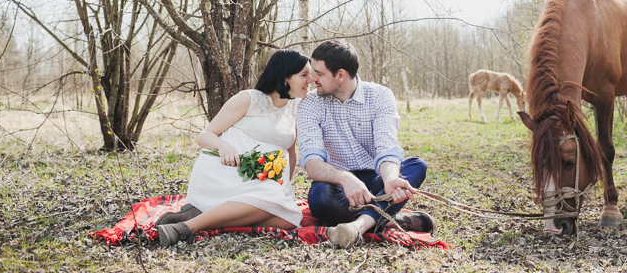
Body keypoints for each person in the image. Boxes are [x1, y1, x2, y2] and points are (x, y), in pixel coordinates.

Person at [155, 49, 312, 247]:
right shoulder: (249, 99)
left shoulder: (296, 106)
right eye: (304, 75)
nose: (311, 80)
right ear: (285, 77)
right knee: (276, 204)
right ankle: (185, 228)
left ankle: (203, 215)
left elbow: (290, 152)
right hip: (224, 171)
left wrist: (284, 189)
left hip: (261, 181)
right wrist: (223, 146)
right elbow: (204, 136)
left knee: (289, 218)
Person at [297, 39, 433, 248]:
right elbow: (312, 163)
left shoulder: (380, 96)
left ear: (340, 75)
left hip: (375, 179)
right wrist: (344, 178)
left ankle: (358, 226)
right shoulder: (309, 103)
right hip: (337, 184)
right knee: (319, 197)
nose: (313, 79)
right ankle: (388, 218)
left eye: (320, 73)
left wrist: (390, 179)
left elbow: (386, 148)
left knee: (417, 166)